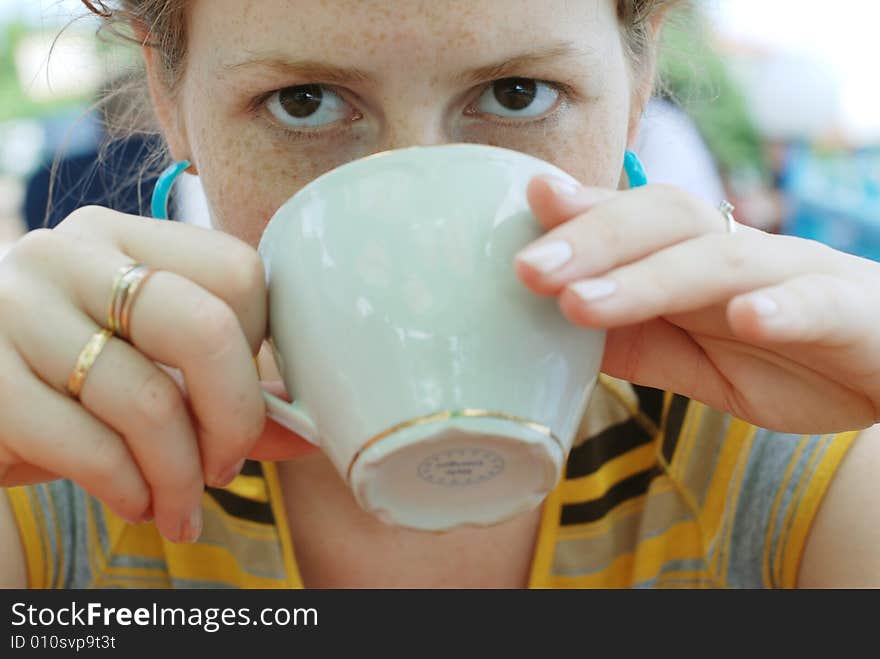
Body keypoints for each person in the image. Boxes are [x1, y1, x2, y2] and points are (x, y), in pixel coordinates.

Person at [0, 0, 878, 589]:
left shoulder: (790, 462)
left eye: (516, 92)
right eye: (303, 101)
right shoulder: (62, 469)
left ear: (637, 85)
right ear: (170, 97)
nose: (411, 210)